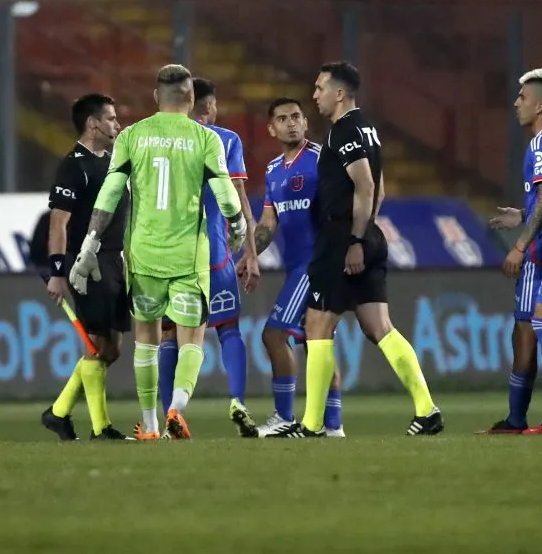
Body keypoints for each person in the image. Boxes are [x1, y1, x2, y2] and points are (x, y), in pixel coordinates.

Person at [68, 64, 248, 440]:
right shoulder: (205, 139)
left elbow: (111, 193)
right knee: (192, 338)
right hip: (187, 257)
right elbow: (225, 194)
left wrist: (89, 244)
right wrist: (237, 226)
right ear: (192, 98)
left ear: (156, 98)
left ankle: (149, 424)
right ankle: (176, 410)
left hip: (144, 255)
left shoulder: (132, 136)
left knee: (146, 339)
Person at [268, 61, 442, 437]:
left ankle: (313, 425)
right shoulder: (368, 128)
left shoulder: (344, 129)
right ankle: (426, 409)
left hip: (343, 237)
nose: (314, 95)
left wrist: (355, 240)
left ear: (339, 93)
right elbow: (378, 186)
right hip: (365, 232)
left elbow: (364, 185)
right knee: (380, 326)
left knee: (317, 325)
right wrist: (368, 231)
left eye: (319, 88)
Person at [144, 77, 260, 440]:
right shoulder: (224, 140)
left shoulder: (155, 138)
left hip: (167, 254)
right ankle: (238, 401)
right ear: (206, 105)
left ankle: (167, 417)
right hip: (215, 254)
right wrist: (251, 252)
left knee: (166, 337)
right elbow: (239, 199)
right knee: (227, 330)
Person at [251, 97, 344, 437]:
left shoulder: (321, 160)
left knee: (273, 334)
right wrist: (249, 255)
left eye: (295, 117)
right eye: (282, 118)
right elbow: (268, 222)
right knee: (317, 343)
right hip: (295, 266)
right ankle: (333, 426)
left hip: (314, 265)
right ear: (271, 128)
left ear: (305, 122)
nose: (290, 123)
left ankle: (285, 417)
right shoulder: (273, 169)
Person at [41, 93, 130, 440]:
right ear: (93, 124)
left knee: (112, 348)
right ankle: (100, 427)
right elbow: (58, 224)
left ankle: (59, 412)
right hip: (87, 264)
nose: (117, 125)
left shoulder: (110, 161)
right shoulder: (73, 166)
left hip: (114, 261)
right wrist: (58, 272)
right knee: (96, 346)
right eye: (111, 119)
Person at [481, 68, 542, 433]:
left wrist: (520, 245)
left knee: (526, 330)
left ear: (541, 105)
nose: (516, 103)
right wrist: (523, 214)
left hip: (541, 252)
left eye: (523, 98)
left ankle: (518, 418)